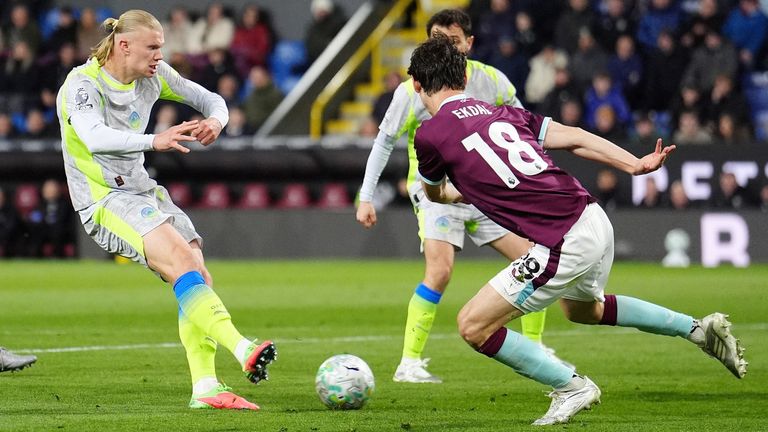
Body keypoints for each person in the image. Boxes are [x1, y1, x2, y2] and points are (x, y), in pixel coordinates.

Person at [409, 36, 747, 425]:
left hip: (561, 239)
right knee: (585, 309)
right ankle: (698, 330)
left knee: (473, 325)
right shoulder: (501, 112)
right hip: (593, 217)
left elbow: (433, 191)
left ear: (418, 85)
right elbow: (575, 136)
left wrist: (449, 194)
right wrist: (634, 165)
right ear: (465, 76)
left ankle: (572, 386)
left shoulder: (430, 135)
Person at [55, 10, 275, 410]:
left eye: (161, 47)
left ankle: (206, 388)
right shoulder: (83, 85)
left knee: (196, 271)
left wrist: (216, 122)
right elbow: (93, 136)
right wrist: (155, 141)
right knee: (182, 262)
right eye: (153, 47)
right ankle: (243, 348)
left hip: (143, 191)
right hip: (103, 198)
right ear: (124, 46)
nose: (161, 54)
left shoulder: (154, 76)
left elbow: (212, 99)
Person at [356, 9, 564, 385]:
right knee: (440, 271)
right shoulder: (413, 88)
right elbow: (384, 140)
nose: (443, 46)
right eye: (436, 38)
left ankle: (535, 345)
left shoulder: (493, 81)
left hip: (484, 192)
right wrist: (366, 196)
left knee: (536, 261)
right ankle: (409, 363)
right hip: (435, 194)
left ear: (468, 43)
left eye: (451, 40)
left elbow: (524, 131)